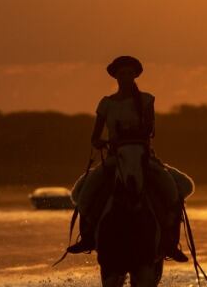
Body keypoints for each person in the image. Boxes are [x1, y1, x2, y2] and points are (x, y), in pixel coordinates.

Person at [68, 55, 189, 262]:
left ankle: (170, 241)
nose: (125, 77)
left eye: (129, 73)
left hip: (143, 157)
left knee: (178, 187)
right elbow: (95, 137)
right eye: (122, 73)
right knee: (82, 191)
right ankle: (87, 237)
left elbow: (150, 130)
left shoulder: (146, 100)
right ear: (115, 76)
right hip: (116, 158)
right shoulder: (106, 104)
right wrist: (100, 143)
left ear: (135, 75)